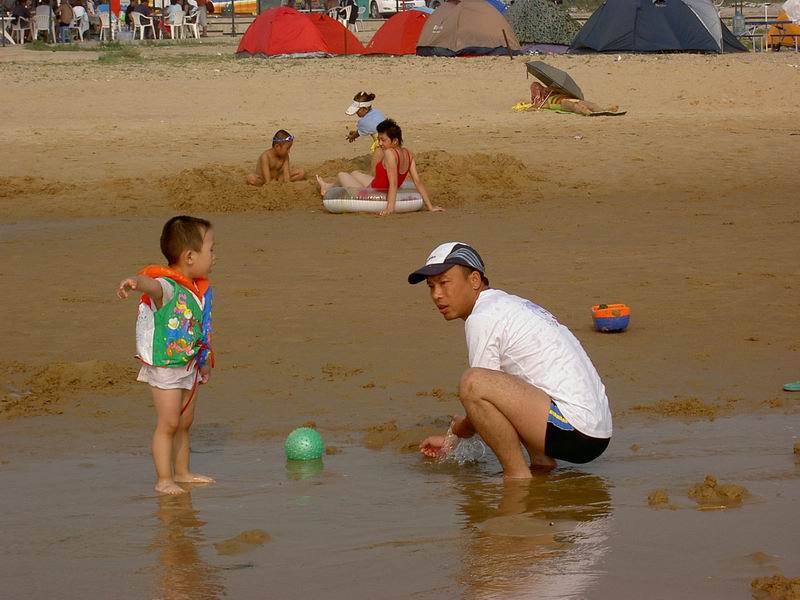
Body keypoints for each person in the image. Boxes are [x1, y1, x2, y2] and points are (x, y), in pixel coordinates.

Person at [411, 242, 613, 479]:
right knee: (504, 381)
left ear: (474, 280)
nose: (436, 295)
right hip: (595, 430)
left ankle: (517, 476)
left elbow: (478, 396)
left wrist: (455, 433)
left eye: (444, 283)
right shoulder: (505, 304)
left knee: (472, 382)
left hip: (577, 431)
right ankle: (541, 465)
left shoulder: (483, 317)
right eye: (431, 286)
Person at [117, 216, 217, 495]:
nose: (214, 256)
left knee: (184, 423)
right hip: (165, 368)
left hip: (189, 364)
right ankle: (164, 479)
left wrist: (204, 362)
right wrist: (135, 282)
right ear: (189, 256)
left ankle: (182, 473)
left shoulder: (197, 290)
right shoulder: (169, 286)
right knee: (169, 423)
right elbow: (152, 286)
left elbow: (201, 328)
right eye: (210, 249)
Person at [316, 118, 444, 216]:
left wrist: (390, 208)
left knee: (341, 175)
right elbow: (417, 181)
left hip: (373, 191)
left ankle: (327, 188)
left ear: (395, 141)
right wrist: (430, 207)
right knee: (355, 173)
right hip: (376, 184)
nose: (380, 143)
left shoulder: (389, 153)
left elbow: (393, 183)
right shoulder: (408, 153)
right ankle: (328, 185)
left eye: (383, 140)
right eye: (379, 139)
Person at [529, 82, 620, 116]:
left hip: (569, 98)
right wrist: (537, 106)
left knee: (589, 104)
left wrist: (554, 89)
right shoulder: (543, 101)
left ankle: (604, 110)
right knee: (572, 105)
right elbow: (539, 106)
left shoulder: (551, 90)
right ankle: (584, 111)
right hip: (560, 103)